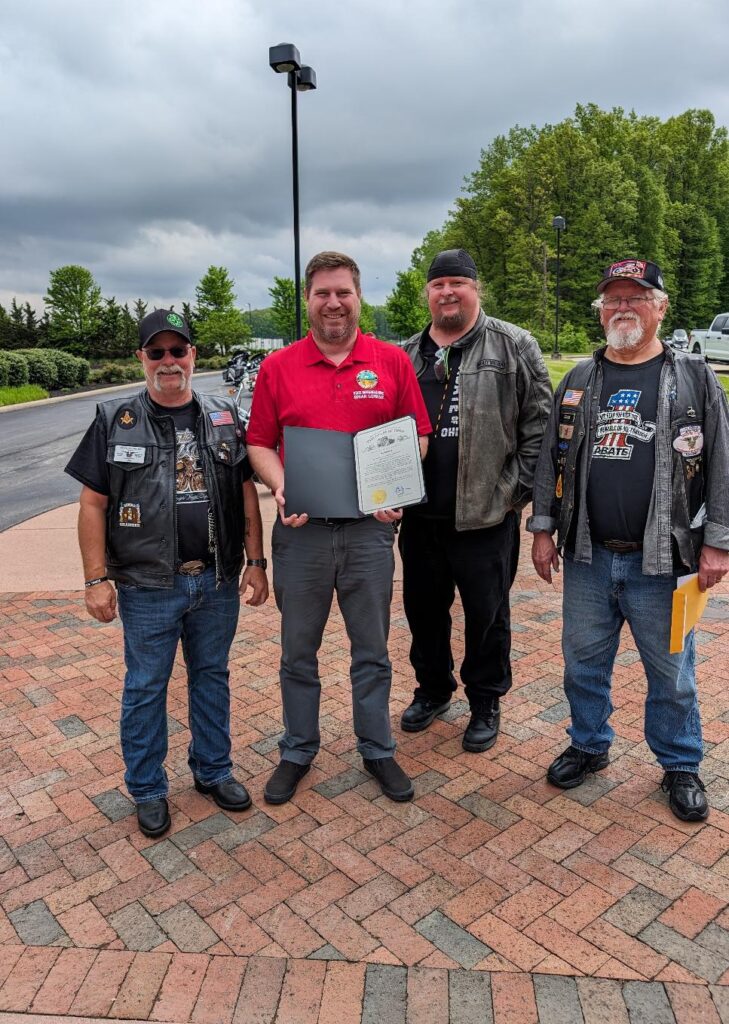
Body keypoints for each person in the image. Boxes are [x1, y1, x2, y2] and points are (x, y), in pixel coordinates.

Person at [528, 259, 729, 822]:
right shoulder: (579, 379)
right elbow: (551, 461)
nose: (622, 308)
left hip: (664, 562)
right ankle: (589, 745)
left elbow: (722, 464)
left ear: (660, 307)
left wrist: (719, 542)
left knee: (672, 671)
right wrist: (542, 529)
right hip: (588, 557)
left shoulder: (693, 377)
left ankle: (681, 763)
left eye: (636, 299)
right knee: (583, 664)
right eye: (612, 299)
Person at [65, 308, 269, 838]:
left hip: (217, 580)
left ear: (193, 355)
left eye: (178, 351)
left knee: (212, 677)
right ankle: (149, 788)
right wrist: (95, 578)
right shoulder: (114, 419)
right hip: (146, 585)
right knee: (146, 686)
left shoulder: (225, 415)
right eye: (157, 352)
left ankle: (213, 770)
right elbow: (92, 505)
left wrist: (256, 561)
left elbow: (247, 492)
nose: (169, 361)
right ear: (142, 359)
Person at [246, 251, 431, 804]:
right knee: (296, 652)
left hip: (368, 534)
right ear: (307, 299)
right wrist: (280, 485)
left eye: (343, 292)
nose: (333, 302)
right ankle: (298, 749)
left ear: (358, 296)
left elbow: (417, 435)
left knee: (371, 649)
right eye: (322, 292)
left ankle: (377, 749)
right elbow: (258, 441)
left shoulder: (391, 361)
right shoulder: (278, 367)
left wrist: (396, 488)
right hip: (300, 533)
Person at [398, 248, 552, 751]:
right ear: (428, 292)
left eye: (457, 284)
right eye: (438, 284)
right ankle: (434, 689)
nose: (447, 292)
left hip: (486, 517)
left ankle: (485, 698)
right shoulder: (405, 354)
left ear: (475, 289)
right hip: (420, 517)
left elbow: (541, 427)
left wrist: (512, 493)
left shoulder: (513, 345)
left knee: (487, 616)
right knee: (423, 611)